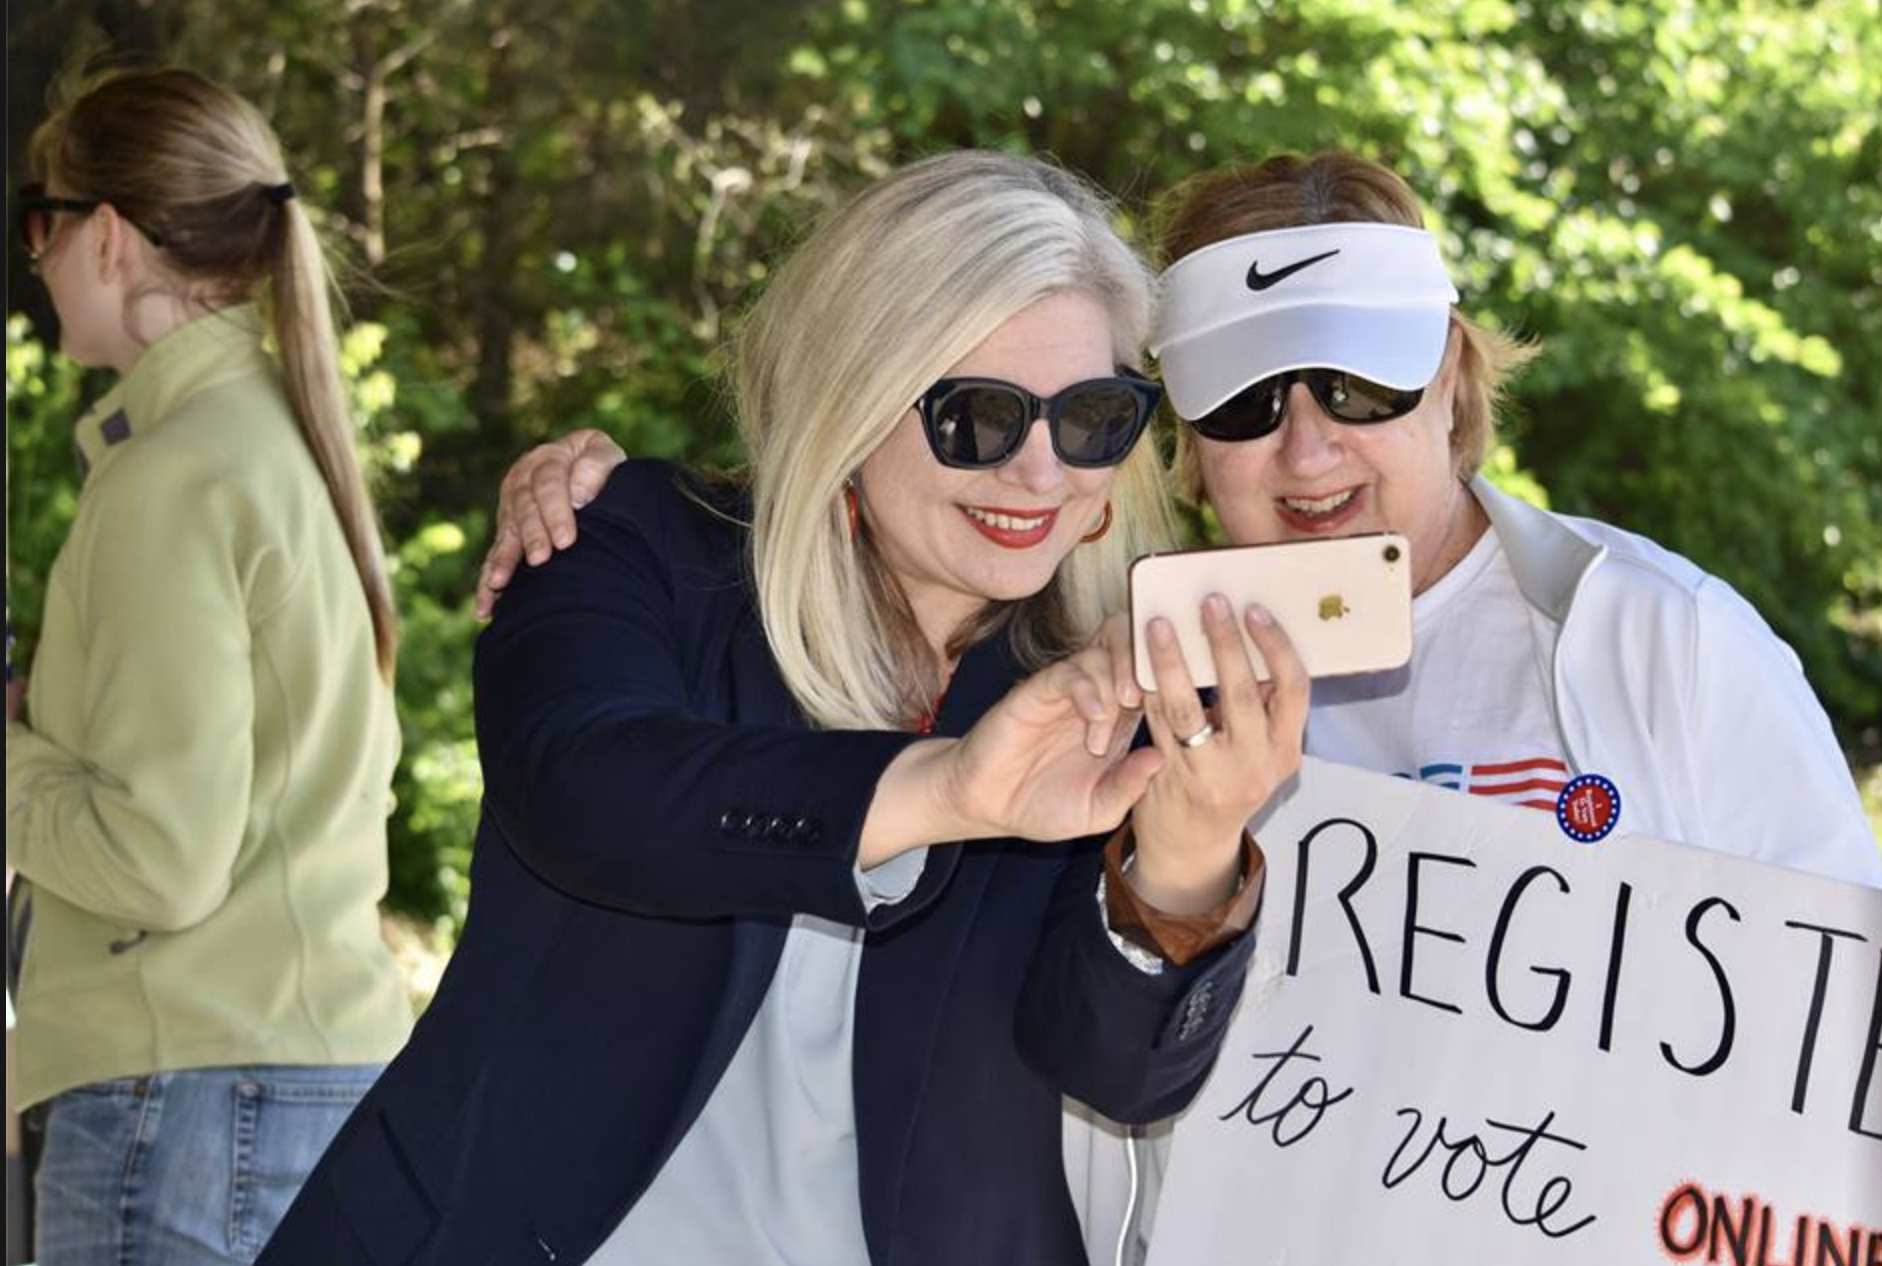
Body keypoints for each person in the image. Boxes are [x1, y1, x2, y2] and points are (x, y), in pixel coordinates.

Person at [481, 149, 1881, 1265]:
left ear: (1451, 376)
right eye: (1247, 400)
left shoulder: (1655, 640)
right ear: (1186, 443)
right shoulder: (1108, 673)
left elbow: (1837, 1039)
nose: (1310, 443)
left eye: (1357, 382)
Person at [258, 149, 1309, 1266]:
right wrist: (945, 790)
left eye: (1092, 417)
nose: (1041, 474)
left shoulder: (1096, 681)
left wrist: (1189, 854)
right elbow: (582, 791)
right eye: (978, 418)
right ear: (849, 399)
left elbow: (1118, 1070)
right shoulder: (637, 546)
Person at [4, 68, 415, 1266]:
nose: (35, 259)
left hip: (183, 1100)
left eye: (44, 222)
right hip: (295, 1081)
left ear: (111, 238)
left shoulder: (175, 472)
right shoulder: (277, 439)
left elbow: (158, 859)